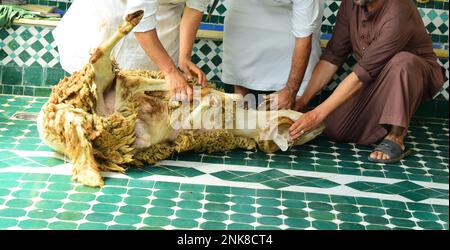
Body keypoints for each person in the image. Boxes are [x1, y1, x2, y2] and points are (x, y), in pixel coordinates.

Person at [289, 0, 445, 163]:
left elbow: (363, 73)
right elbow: (333, 57)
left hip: (409, 76)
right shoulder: (350, 4)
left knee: (402, 62)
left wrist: (315, 115)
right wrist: (302, 101)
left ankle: (395, 136)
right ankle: (380, 125)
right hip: (373, 77)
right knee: (334, 129)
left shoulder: (399, 9)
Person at [53, 0, 210, 101]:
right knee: (94, 88)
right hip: (112, 10)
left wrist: (184, 57)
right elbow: (140, 22)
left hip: (165, 14)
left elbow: (194, 7)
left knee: (140, 96)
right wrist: (170, 72)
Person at [220, 0, 323, 110]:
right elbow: (199, 4)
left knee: (290, 113)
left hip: (291, 27)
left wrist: (290, 90)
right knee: (240, 105)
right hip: (244, 16)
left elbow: (304, 38)